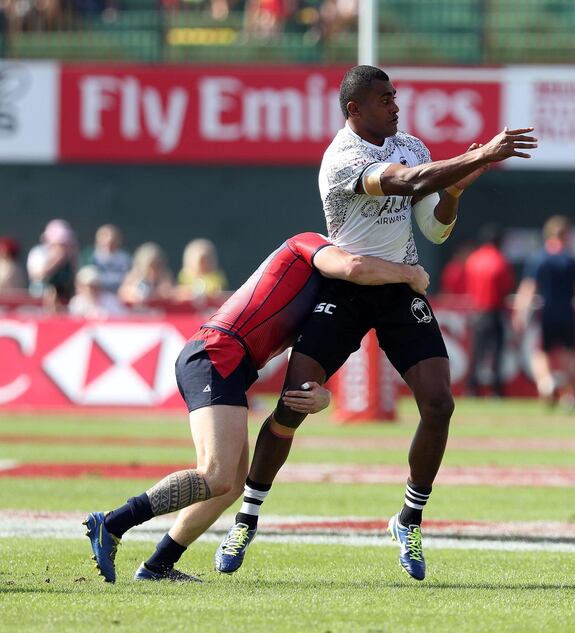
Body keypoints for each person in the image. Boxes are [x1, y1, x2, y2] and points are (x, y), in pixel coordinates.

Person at [214, 65, 536, 581]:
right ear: (354, 110)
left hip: (397, 289)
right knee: (294, 404)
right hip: (343, 289)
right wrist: (478, 154)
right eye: (383, 99)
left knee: (439, 402)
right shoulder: (341, 158)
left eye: (394, 96)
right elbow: (403, 182)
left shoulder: (412, 143)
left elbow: (434, 225)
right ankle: (246, 518)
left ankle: (408, 518)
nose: (395, 105)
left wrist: (456, 187)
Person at [84, 232, 431, 583]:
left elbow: (315, 354)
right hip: (216, 352)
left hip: (232, 363)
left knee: (231, 485)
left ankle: (158, 565)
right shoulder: (308, 244)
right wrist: (409, 273)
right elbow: (354, 265)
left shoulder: (329, 292)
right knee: (215, 473)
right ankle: (113, 523)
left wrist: (322, 395)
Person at [512, 215, 575, 411]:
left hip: (546, 313)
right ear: (564, 234)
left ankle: (546, 382)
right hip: (568, 313)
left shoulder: (539, 258)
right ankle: (569, 397)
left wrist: (520, 313)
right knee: (570, 355)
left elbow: (529, 288)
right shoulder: (572, 260)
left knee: (541, 353)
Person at [463, 225, 514, 397]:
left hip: (477, 311)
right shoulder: (500, 260)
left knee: (476, 351)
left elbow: (468, 286)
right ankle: (496, 390)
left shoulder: (473, 259)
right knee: (496, 352)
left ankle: (471, 388)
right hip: (494, 310)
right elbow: (505, 287)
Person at [26, 219, 79, 311]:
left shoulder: (70, 255)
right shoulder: (38, 252)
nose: (63, 247)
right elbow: (37, 276)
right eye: (61, 243)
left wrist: (71, 259)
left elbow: (76, 278)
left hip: (65, 300)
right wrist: (56, 261)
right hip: (40, 298)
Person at [117, 242, 175, 307]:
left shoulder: (165, 274)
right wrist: (136, 292)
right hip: (137, 312)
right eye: (150, 266)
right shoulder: (135, 274)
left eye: (157, 265)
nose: (153, 270)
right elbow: (122, 293)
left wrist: (157, 293)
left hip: (159, 311)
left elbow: (170, 292)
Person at [87, 224, 132, 295]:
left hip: (119, 297)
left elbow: (130, 278)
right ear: (97, 241)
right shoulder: (90, 257)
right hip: (97, 296)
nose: (108, 247)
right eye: (105, 243)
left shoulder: (124, 258)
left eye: (112, 243)